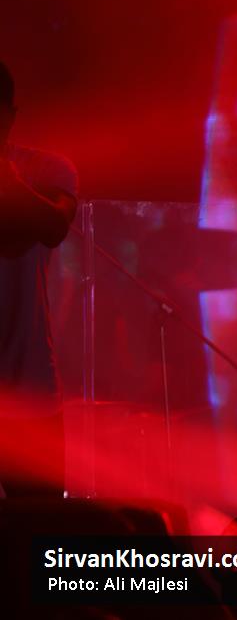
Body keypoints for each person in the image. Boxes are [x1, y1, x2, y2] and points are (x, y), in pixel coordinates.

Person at [0, 61, 79, 498]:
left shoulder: (45, 169)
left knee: (38, 520)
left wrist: (6, 177)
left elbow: (53, 227)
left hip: (27, 390)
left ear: (10, 115)